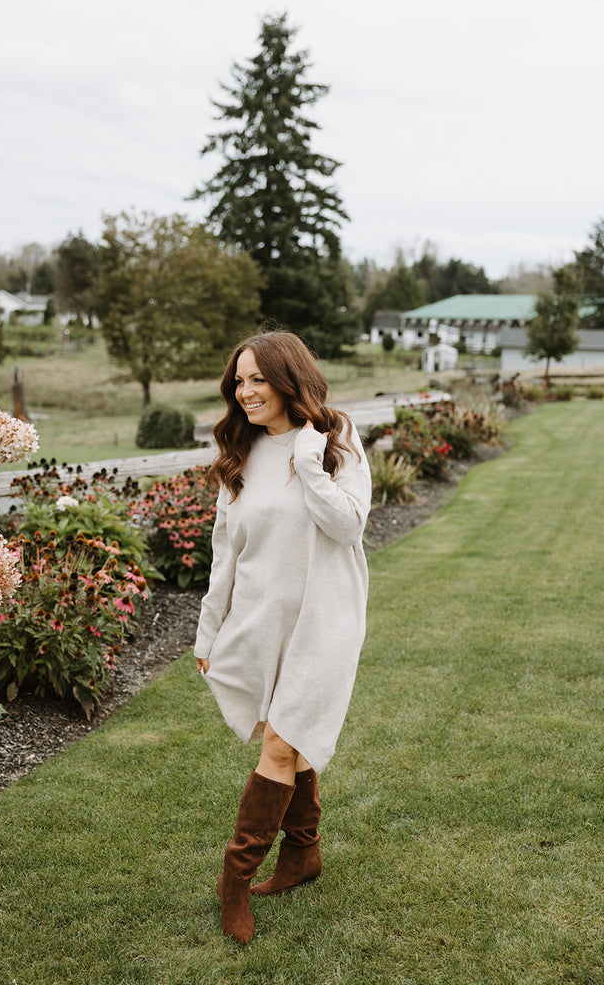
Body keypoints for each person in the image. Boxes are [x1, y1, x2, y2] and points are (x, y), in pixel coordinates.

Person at [193, 330, 371, 944]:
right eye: (238, 382)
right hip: (263, 619)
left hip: (327, 620)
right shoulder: (239, 455)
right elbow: (226, 555)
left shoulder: (335, 440)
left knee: (280, 742)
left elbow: (347, 527)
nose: (245, 392)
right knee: (291, 746)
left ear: (287, 378)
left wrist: (307, 465)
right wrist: (208, 630)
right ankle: (303, 856)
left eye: (257, 380)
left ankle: (233, 881)